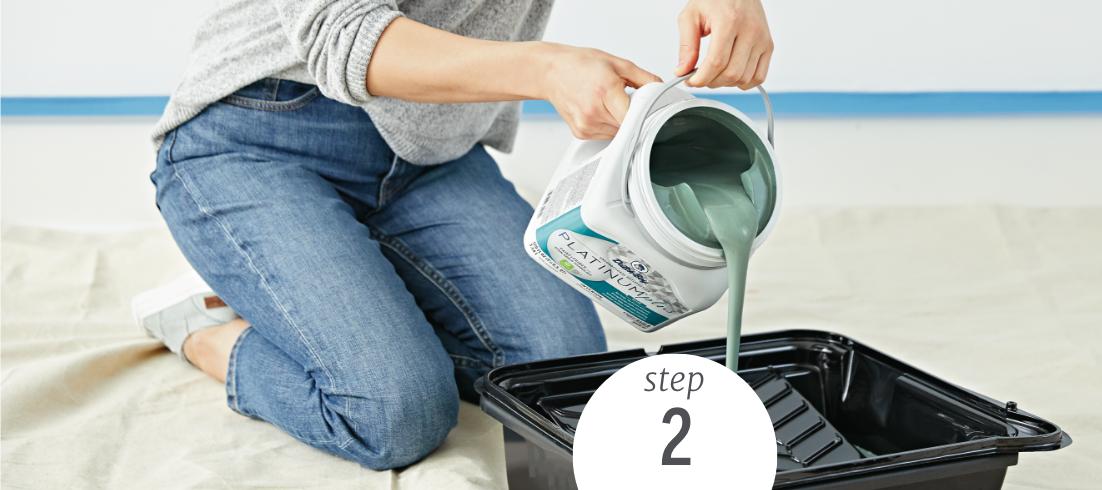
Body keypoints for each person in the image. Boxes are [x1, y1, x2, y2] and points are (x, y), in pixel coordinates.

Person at [132, 0, 773, 472]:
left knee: (555, 377)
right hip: (256, 134)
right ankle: (210, 332)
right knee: (398, 413)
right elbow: (340, 33)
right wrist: (547, 69)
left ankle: (339, 281)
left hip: (431, 149)